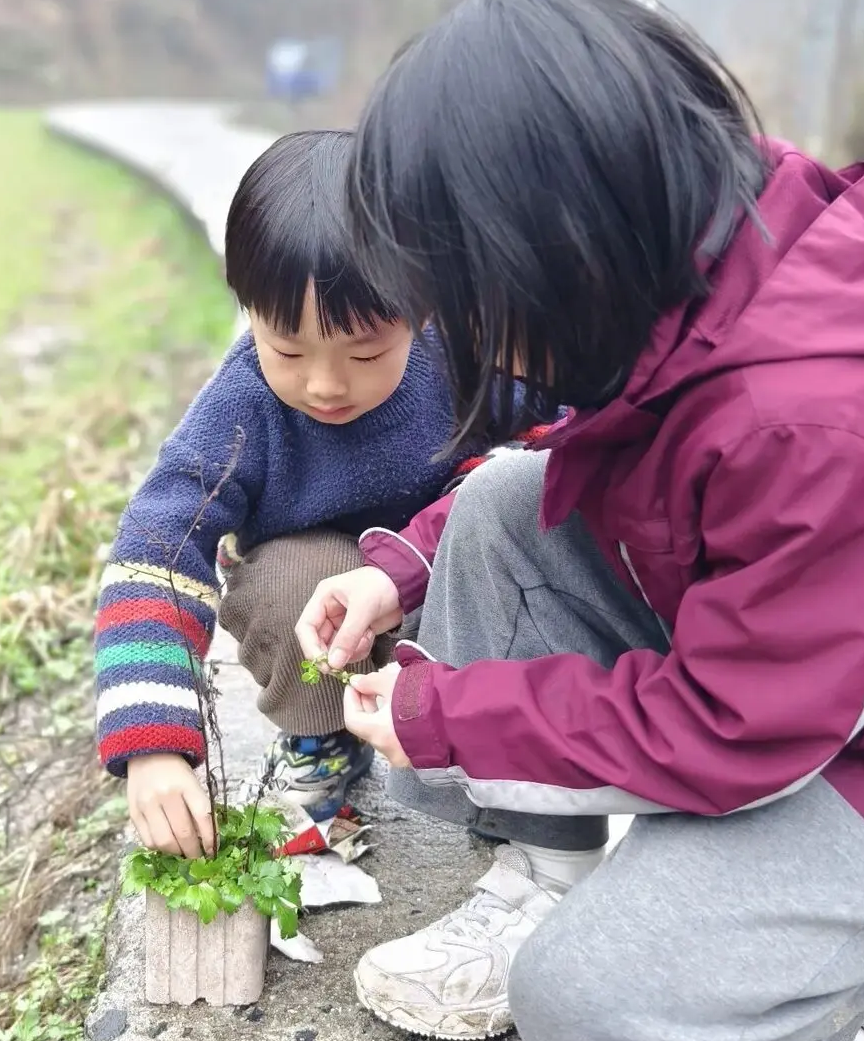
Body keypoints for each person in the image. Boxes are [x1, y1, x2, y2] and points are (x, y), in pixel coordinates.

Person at [296, 0, 864, 1041]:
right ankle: (544, 877)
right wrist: (398, 568)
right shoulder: (689, 242)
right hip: (809, 657)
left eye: (466, 288)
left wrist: (458, 712)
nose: (458, 322)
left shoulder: (808, 420)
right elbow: (577, 450)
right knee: (503, 504)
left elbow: (741, 729)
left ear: (550, 240)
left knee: (594, 1009)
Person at [94, 128, 542, 847]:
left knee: (515, 497)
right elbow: (155, 553)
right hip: (322, 627)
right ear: (248, 312)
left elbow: (572, 432)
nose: (327, 384)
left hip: (445, 598)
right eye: (288, 350)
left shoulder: (464, 362)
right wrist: (153, 744)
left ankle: (493, 747)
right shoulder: (240, 412)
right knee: (294, 574)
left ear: (421, 309)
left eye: (366, 352)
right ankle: (325, 742)